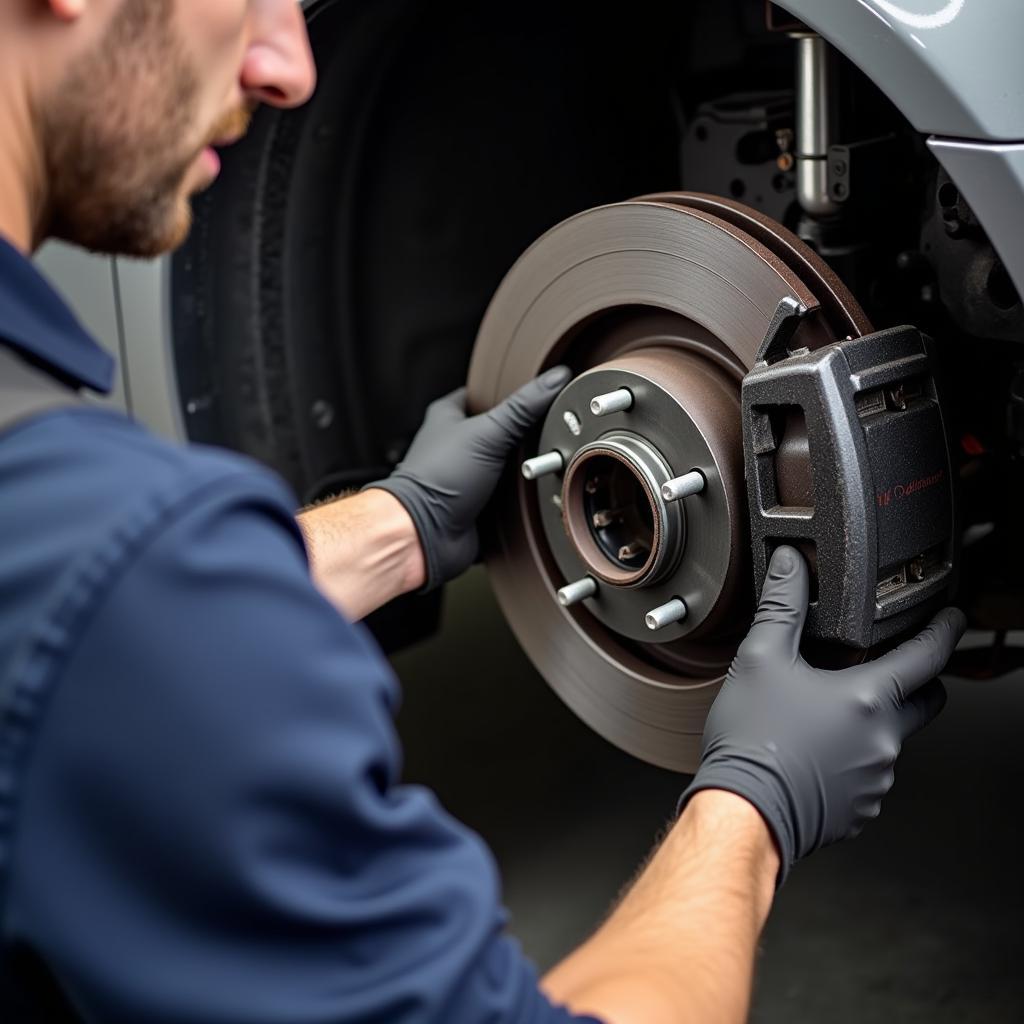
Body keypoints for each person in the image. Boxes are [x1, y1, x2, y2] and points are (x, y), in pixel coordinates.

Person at [0, 2, 965, 1022]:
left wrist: (397, 525)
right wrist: (758, 797)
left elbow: (92, 614)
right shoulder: (117, 579)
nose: (288, 68)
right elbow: (116, 612)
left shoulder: (69, 546)